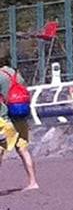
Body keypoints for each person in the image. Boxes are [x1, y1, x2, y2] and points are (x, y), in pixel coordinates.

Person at [0, 56, 39, 191]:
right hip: (21, 117)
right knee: (23, 150)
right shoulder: (18, 75)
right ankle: (33, 182)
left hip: (5, 119)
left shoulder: (0, 76)